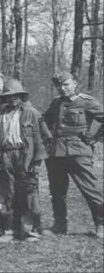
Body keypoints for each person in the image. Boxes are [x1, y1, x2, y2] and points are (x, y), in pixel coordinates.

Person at [0, 78, 48, 243]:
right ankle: (8, 229)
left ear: (22, 96)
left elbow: (42, 138)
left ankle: (30, 231)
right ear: (4, 98)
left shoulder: (31, 113)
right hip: (5, 156)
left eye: (16, 95)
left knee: (28, 193)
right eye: (9, 96)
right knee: (7, 192)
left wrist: (37, 161)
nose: (13, 99)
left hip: (25, 155)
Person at [42, 71, 104, 239]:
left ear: (75, 83)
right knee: (57, 191)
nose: (62, 88)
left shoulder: (87, 102)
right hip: (56, 154)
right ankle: (60, 224)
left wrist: (95, 138)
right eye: (59, 86)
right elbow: (44, 121)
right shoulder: (56, 103)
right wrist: (47, 139)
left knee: (90, 189)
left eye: (66, 85)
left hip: (78, 152)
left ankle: (101, 223)